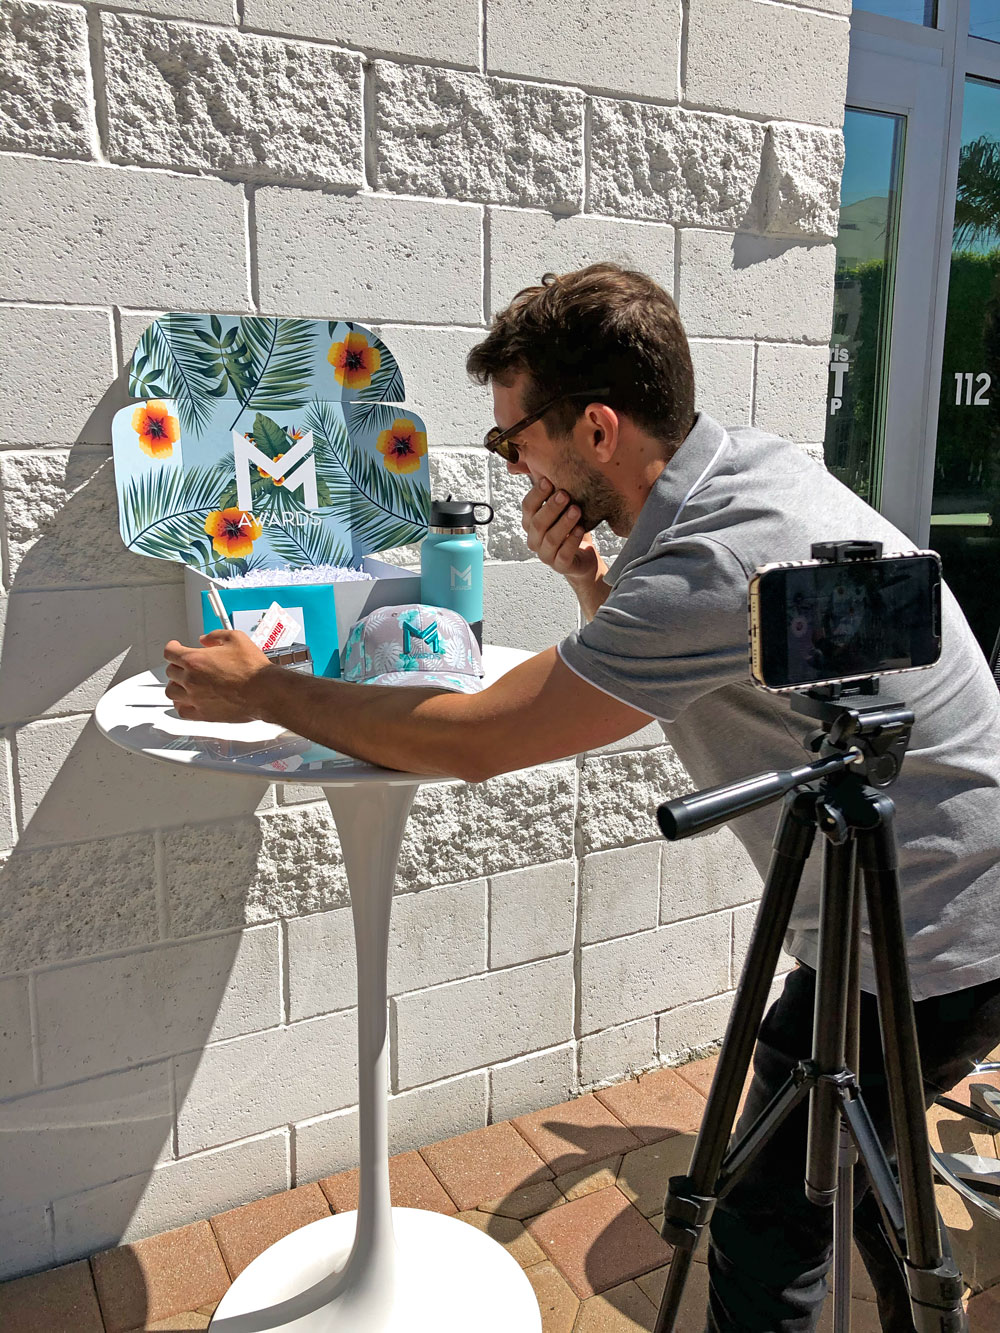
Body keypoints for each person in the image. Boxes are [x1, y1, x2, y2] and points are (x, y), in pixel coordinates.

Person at [164, 263, 1000, 1332]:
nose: (513, 462)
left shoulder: (708, 556)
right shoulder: (747, 474)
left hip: (920, 943)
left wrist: (267, 687)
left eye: (514, 440)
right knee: (858, 1178)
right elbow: (719, 661)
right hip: (925, 906)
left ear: (595, 429)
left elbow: (479, 741)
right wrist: (589, 584)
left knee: (763, 1221)